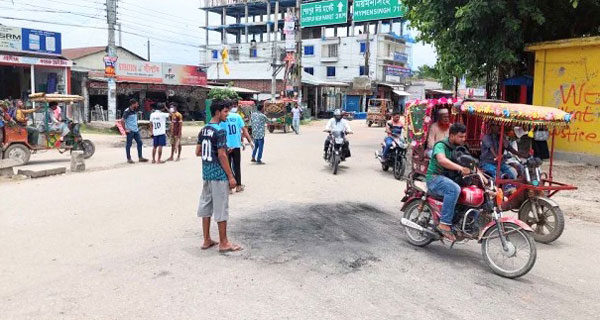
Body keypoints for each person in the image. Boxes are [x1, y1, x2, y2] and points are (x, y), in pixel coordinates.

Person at [196, 99, 242, 252]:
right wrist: (230, 176)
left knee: (206, 205)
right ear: (218, 112)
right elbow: (222, 155)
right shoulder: (220, 131)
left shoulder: (203, 130)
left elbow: (198, 152)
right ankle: (224, 242)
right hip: (218, 174)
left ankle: (206, 239)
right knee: (221, 207)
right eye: (225, 111)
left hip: (206, 173)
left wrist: (216, 151)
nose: (227, 115)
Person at [426, 123, 471, 241]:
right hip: (435, 178)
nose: (463, 139)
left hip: (449, 179)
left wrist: (484, 178)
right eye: (460, 137)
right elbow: (442, 160)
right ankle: (444, 223)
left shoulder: (460, 148)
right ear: (451, 135)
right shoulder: (441, 145)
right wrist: (460, 168)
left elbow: (470, 164)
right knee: (454, 189)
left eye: (464, 136)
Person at [221, 101, 253, 193]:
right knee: (237, 165)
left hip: (226, 145)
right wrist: (249, 141)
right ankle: (238, 185)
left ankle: (230, 187)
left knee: (227, 166)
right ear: (231, 108)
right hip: (236, 145)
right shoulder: (237, 117)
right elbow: (243, 130)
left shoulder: (222, 118)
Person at [122, 99, 148, 164]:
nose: (137, 105)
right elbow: (122, 120)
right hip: (130, 131)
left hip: (135, 130)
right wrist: (125, 129)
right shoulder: (127, 111)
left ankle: (140, 157)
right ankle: (129, 158)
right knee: (129, 145)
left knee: (139, 143)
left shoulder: (135, 110)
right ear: (133, 104)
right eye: (136, 104)